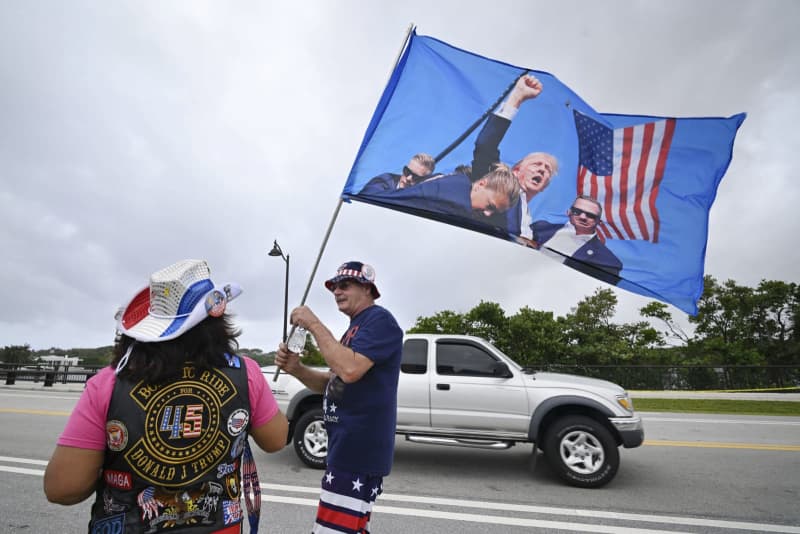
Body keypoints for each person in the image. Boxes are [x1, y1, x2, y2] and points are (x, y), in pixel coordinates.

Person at [44, 259, 289, 534]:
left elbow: (63, 488)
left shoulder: (108, 383)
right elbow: (276, 439)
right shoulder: (247, 374)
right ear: (216, 324)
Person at [274, 261, 403, 534]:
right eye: (334, 287)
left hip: (357, 452)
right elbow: (333, 383)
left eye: (345, 285)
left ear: (367, 288)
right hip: (345, 448)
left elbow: (350, 369)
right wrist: (296, 369)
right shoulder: (354, 329)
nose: (336, 291)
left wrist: (313, 324)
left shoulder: (380, 321)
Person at [472, 74, 559, 237]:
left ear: (545, 186)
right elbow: (485, 146)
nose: (541, 170)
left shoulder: (530, 222)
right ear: (517, 171)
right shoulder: (497, 187)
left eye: (547, 169)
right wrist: (517, 98)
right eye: (536, 164)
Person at [360, 161, 520, 239]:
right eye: (490, 206)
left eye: (494, 212)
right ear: (480, 184)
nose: (487, 214)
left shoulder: (456, 185)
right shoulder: (456, 202)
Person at [531, 195, 623, 285]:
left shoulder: (608, 261)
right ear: (568, 212)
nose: (583, 217)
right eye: (577, 211)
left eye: (590, 215)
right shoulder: (540, 228)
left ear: (599, 222)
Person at [359, 153, 436, 194]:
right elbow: (369, 195)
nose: (408, 178)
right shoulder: (385, 180)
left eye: (416, 177)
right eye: (407, 171)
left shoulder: (423, 197)